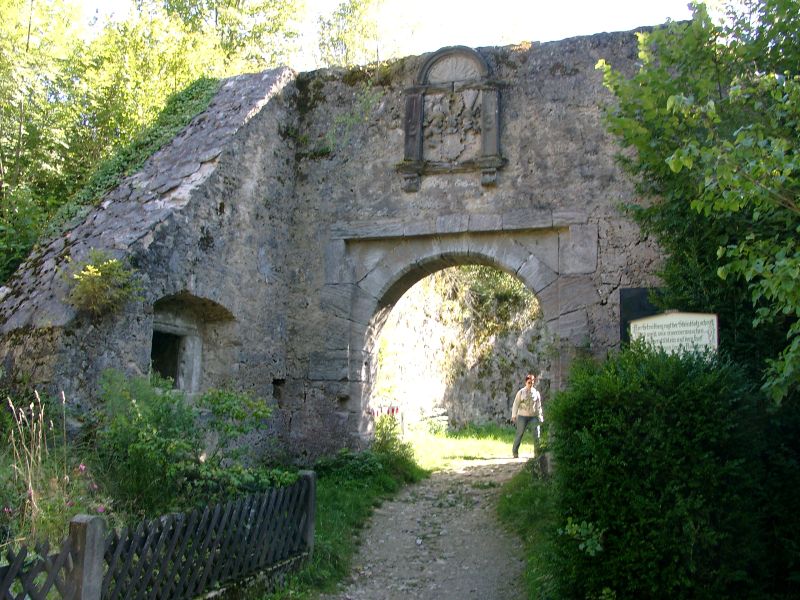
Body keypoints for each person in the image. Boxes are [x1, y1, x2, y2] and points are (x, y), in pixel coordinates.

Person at [511, 373, 543, 459]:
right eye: (529, 382)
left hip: (533, 416)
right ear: (526, 382)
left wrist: (540, 416)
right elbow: (516, 404)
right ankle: (515, 452)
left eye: (532, 382)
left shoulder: (536, 393)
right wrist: (513, 415)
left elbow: (538, 406)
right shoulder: (521, 392)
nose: (530, 384)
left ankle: (537, 453)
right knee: (519, 433)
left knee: (537, 434)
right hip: (522, 416)